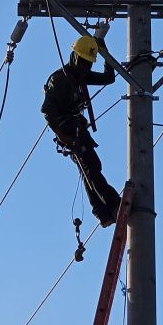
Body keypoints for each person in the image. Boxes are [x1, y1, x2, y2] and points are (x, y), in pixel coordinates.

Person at [42, 35, 121, 226]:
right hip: (69, 131)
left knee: (89, 169)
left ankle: (103, 214)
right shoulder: (59, 80)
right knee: (91, 167)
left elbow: (109, 78)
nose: (86, 68)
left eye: (89, 64)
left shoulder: (81, 75)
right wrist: (64, 137)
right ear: (75, 57)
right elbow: (47, 111)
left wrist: (103, 50)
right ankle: (112, 204)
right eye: (84, 62)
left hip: (77, 129)